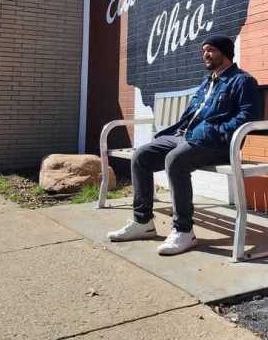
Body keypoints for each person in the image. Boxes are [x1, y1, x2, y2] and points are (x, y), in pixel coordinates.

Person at [107, 34, 260, 255]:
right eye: (203, 51)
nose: (205, 54)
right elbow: (193, 114)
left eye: (210, 50)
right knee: (141, 156)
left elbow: (247, 116)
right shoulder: (208, 82)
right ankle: (143, 223)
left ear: (225, 52)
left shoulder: (242, 81)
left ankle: (184, 231)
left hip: (217, 144)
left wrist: (212, 130)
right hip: (187, 136)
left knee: (175, 159)